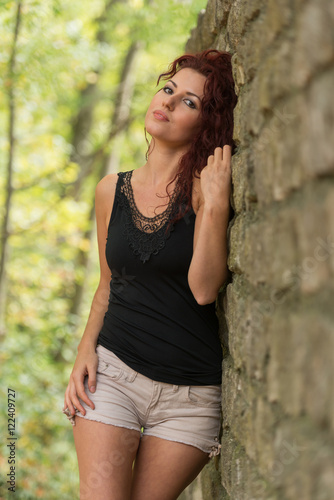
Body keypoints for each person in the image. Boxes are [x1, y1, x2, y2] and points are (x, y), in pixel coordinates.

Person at [62, 48, 237, 500]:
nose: (169, 102)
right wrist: (85, 351)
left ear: (206, 124)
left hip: (191, 398)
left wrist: (215, 206)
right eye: (169, 90)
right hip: (114, 374)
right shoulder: (110, 190)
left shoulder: (204, 191)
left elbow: (203, 289)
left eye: (190, 102)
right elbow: (107, 284)